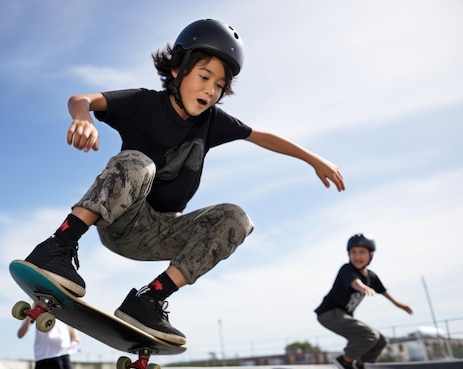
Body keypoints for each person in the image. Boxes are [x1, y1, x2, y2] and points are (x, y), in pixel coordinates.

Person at [23, 18, 345, 346]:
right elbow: (82, 99)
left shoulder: (212, 122)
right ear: (177, 69)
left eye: (219, 85)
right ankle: (58, 245)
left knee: (236, 219)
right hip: (122, 220)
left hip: (164, 232)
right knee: (139, 164)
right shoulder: (144, 103)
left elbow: (261, 136)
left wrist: (315, 160)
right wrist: (82, 119)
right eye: (204, 76)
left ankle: (148, 300)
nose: (210, 89)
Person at [315, 233, 413, 369]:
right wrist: (363, 287)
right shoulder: (347, 270)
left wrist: (399, 304)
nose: (357, 257)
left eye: (362, 253)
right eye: (353, 252)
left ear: (370, 255)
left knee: (380, 340)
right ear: (348, 254)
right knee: (369, 335)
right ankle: (345, 361)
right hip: (329, 313)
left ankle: (359, 363)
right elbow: (354, 282)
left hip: (344, 316)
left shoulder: (371, 276)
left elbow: (383, 292)